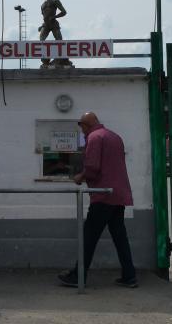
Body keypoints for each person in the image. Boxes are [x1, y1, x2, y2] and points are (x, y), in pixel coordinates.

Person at [57, 112, 137, 288]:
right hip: (118, 195)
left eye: (82, 127)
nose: (83, 132)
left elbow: (92, 168)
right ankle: (129, 276)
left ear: (85, 125)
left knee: (88, 236)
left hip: (103, 195)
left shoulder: (94, 137)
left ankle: (78, 276)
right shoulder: (115, 137)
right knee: (119, 237)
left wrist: (79, 177)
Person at [38, 0, 68, 68]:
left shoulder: (55, 0)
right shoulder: (43, 4)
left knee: (59, 40)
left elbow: (64, 12)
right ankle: (45, 58)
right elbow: (44, 17)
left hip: (54, 23)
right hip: (46, 24)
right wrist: (42, 26)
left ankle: (61, 57)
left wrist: (54, 17)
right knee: (41, 40)